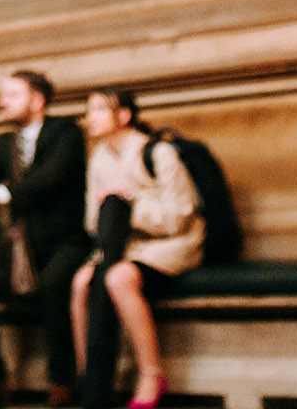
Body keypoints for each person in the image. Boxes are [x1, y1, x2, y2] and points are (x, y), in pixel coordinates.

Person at [0, 70, 94, 408]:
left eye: (12, 95)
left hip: (66, 241)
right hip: (23, 248)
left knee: (55, 284)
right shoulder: (5, 143)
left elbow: (49, 179)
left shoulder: (66, 132)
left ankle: (61, 379)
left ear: (37, 100)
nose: (3, 102)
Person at [69, 87, 204, 409]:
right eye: (90, 111)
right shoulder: (99, 157)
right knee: (80, 283)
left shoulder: (157, 153)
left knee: (118, 278)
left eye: (100, 109)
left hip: (170, 245)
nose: (91, 118)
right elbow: (92, 221)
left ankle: (151, 374)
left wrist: (130, 204)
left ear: (124, 115)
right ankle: (90, 379)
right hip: (123, 246)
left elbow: (179, 218)